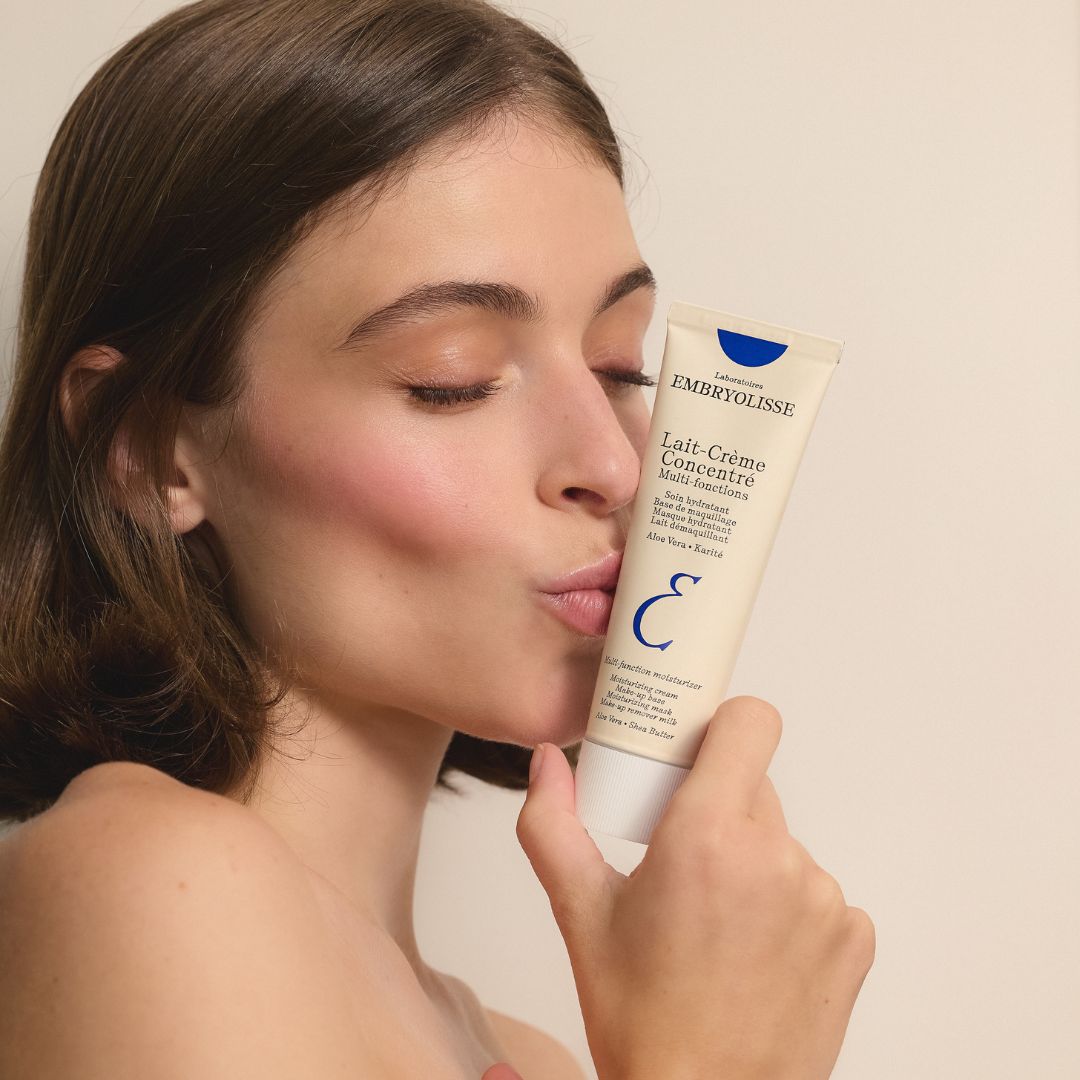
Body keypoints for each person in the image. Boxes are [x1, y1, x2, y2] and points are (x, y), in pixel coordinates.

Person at [0, 1, 875, 1077]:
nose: (614, 465)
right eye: (450, 379)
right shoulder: (141, 877)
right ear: (145, 450)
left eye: (619, 366)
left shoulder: (534, 1058)